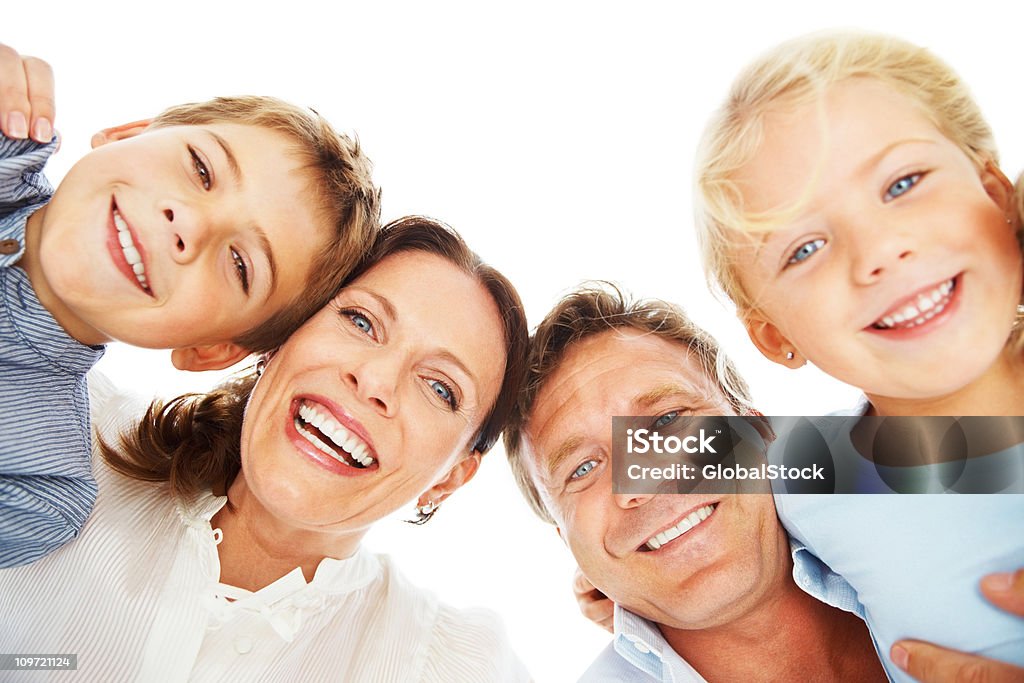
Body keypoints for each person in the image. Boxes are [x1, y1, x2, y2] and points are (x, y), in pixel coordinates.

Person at [0, 216, 530, 682]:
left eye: (439, 388)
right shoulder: (57, 432)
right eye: (361, 321)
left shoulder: (455, 664)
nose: (374, 381)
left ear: (449, 478)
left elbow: (618, 398)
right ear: (281, 336)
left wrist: (618, 565)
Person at [690, 30, 1024, 678]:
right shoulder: (811, 465)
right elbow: (631, 463)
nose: (877, 252)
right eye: (805, 249)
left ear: (996, 191)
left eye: (903, 182)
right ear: (773, 336)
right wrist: (625, 587)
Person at [504, 282, 1024, 682]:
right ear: (566, 541)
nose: (639, 478)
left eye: (667, 421)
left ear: (756, 433)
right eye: (582, 469)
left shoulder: (874, 473)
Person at [0, 46, 381, 567]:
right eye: (202, 169)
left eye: (241, 265)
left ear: (210, 349)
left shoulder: (42, 485)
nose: (190, 225)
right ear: (128, 134)